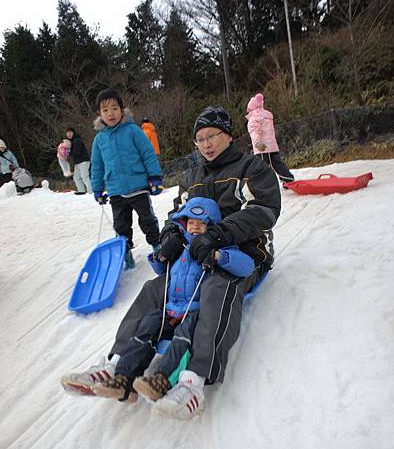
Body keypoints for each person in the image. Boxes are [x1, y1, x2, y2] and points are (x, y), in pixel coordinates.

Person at [61, 106, 281, 420]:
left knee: (218, 288)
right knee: (155, 288)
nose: (206, 144)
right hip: (195, 253)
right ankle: (117, 365)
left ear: (228, 136)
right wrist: (170, 237)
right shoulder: (192, 177)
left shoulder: (250, 169)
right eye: (200, 139)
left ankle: (194, 380)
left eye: (212, 136)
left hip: (240, 253)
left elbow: (265, 209)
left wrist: (219, 235)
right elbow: (175, 216)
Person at [83, 197, 255, 405]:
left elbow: (246, 267)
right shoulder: (179, 246)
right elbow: (159, 269)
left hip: (193, 310)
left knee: (182, 339)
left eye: (201, 224)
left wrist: (218, 256)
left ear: (211, 227)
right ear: (184, 224)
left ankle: (162, 380)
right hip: (169, 308)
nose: (195, 228)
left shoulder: (217, 247)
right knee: (145, 330)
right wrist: (162, 254)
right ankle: (123, 379)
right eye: (191, 223)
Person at [91, 90, 163, 269]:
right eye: (105, 110)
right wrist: (97, 189)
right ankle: (126, 253)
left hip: (138, 186)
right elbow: (97, 166)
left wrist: (155, 177)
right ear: (99, 114)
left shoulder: (133, 131)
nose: (111, 113)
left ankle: (158, 247)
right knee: (121, 226)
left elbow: (148, 154)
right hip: (116, 191)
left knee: (148, 221)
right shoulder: (99, 140)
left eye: (115, 108)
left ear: (122, 110)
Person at [246, 93, 294, 182]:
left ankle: (260, 184)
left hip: (262, 147)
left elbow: (255, 133)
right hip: (272, 146)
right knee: (277, 164)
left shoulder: (253, 119)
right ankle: (288, 178)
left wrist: (258, 144)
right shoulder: (267, 115)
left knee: (261, 167)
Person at [65, 127, 92, 195]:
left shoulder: (77, 140)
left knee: (85, 176)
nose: (69, 134)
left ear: (74, 133)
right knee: (76, 177)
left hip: (83, 161)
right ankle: (81, 191)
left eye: (70, 133)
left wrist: (68, 152)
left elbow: (77, 152)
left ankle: (91, 192)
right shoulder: (71, 141)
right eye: (68, 133)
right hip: (78, 162)